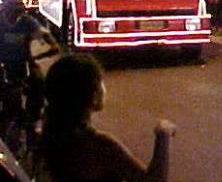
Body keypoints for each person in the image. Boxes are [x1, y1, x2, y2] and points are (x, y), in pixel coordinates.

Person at [42, 54, 177, 181]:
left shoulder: (52, 132)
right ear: (93, 95)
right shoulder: (100, 145)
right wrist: (163, 135)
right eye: (101, 82)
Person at [0, 0, 60, 151]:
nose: (18, 9)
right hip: (2, 66)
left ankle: (32, 123)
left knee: (39, 84)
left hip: (22, 65)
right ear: (5, 6)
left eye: (20, 4)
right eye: (14, 5)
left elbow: (48, 39)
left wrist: (45, 51)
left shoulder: (27, 22)